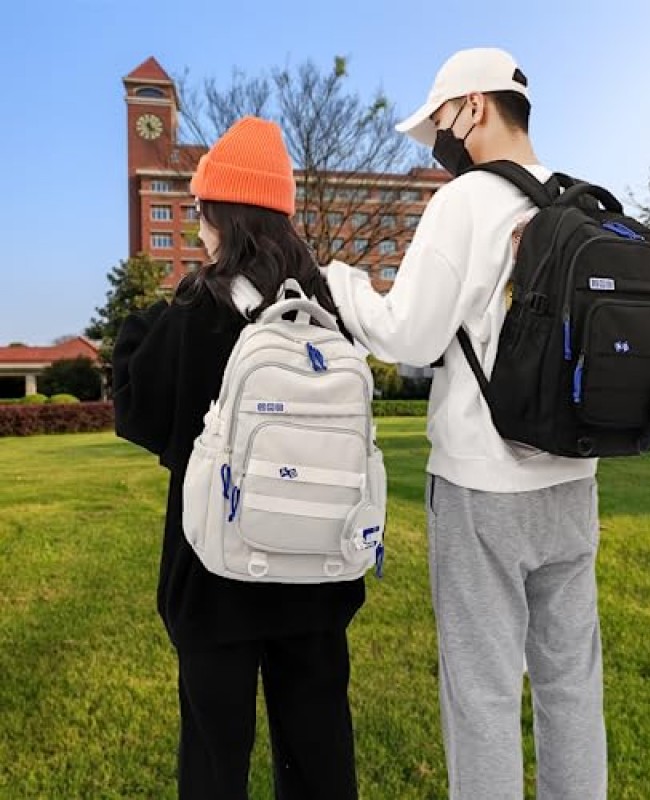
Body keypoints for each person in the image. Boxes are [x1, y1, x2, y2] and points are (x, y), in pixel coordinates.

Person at [325, 48, 606, 800]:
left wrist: (343, 284)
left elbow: (409, 336)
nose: (440, 139)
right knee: (571, 685)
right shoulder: (579, 202)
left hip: (484, 485)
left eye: (441, 120)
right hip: (575, 480)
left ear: (473, 107)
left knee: (481, 692)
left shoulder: (466, 202)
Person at [113, 117, 363, 800]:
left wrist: (143, 323)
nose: (194, 225)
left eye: (198, 210)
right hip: (317, 569)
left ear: (221, 212)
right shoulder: (323, 309)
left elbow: (138, 410)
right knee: (319, 752)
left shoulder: (200, 305)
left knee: (216, 760)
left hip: (216, 568)